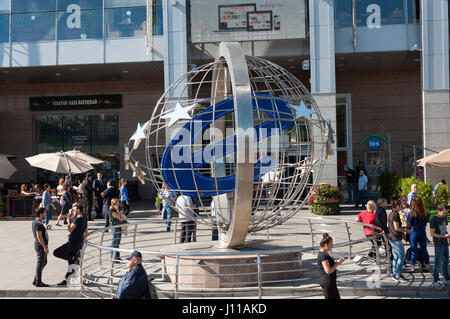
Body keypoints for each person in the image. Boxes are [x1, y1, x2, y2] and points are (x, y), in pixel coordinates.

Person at [53, 203, 88, 286]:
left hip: (72, 243)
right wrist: (81, 240)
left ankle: (72, 259)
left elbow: (70, 230)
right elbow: (86, 232)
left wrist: (68, 221)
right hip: (79, 243)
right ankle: (66, 279)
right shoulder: (84, 219)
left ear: (78, 210)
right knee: (71, 264)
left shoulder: (77, 219)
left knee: (56, 252)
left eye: (74, 209)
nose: (73, 211)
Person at [387, 200, 412, 282]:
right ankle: (398, 275)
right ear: (397, 206)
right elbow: (396, 228)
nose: (402, 206)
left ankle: (394, 273)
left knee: (396, 256)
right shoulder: (395, 214)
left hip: (391, 237)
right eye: (400, 205)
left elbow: (389, 225)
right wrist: (407, 231)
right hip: (396, 238)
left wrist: (405, 227)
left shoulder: (391, 213)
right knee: (401, 256)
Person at [317, 233, 344, 299]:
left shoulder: (324, 253)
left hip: (329, 282)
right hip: (328, 283)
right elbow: (328, 271)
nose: (332, 246)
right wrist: (337, 263)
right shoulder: (323, 256)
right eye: (331, 244)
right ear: (326, 245)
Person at [407, 197, 430, 273]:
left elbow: (409, 225)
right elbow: (425, 223)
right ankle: (427, 266)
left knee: (414, 250)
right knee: (424, 250)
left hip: (414, 233)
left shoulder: (411, 213)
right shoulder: (424, 213)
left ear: (413, 203)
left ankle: (412, 267)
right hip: (422, 232)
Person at [430, 204, 450, 289]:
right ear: (438, 211)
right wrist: (443, 237)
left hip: (445, 242)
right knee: (438, 262)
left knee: (446, 261)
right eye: (443, 213)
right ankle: (436, 280)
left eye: (446, 213)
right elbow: (432, 234)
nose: (445, 215)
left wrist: (448, 237)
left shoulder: (444, 218)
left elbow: (444, 229)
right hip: (438, 243)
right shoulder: (434, 220)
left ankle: (446, 278)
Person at [32, 207, 50, 287]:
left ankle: (36, 280)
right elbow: (39, 237)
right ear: (40, 214)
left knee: (44, 262)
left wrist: (45, 229)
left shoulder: (36, 222)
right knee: (40, 263)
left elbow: (40, 233)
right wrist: (45, 247)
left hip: (40, 245)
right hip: (40, 246)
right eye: (45, 213)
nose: (46, 214)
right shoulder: (38, 224)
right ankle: (38, 282)